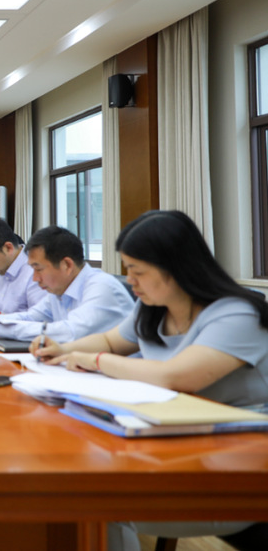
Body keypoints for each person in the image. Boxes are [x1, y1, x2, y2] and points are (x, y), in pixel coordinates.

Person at [33, 210, 268, 551]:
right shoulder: (154, 308)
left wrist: (94, 361)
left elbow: (174, 378)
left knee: (93, 501)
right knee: (75, 480)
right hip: (178, 444)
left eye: (138, 271)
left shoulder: (237, 314)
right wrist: (61, 349)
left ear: (175, 267)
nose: (130, 280)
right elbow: (111, 340)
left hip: (241, 465)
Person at [0, 225, 134, 342]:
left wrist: (0, 329)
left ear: (66, 265)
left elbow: (70, 331)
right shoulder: (58, 290)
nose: (35, 278)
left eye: (38, 269)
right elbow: (30, 317)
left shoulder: (101, 287)